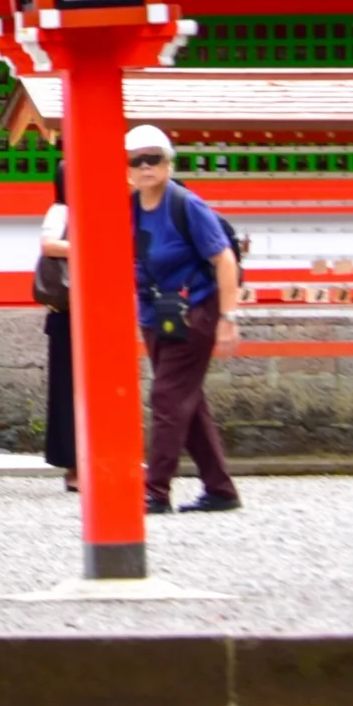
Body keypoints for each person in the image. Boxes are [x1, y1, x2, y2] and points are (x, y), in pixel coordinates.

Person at [128, 124, 243, 515]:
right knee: (185, 401)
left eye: (153, 158)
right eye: (136, 160)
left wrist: (228, 318)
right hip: (157, 312)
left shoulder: (186, 205)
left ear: (168, 162)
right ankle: (221, 489)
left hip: (195, 310)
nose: (145, 167)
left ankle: (155, 491)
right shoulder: (128, 207)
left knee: (167, 396)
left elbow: (224, 259)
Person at [36, 174, 76, 490]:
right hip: (68, 310)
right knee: (66, 389)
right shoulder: (60, 211)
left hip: (97, 307)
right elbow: (49, 245)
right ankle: (73, 465)